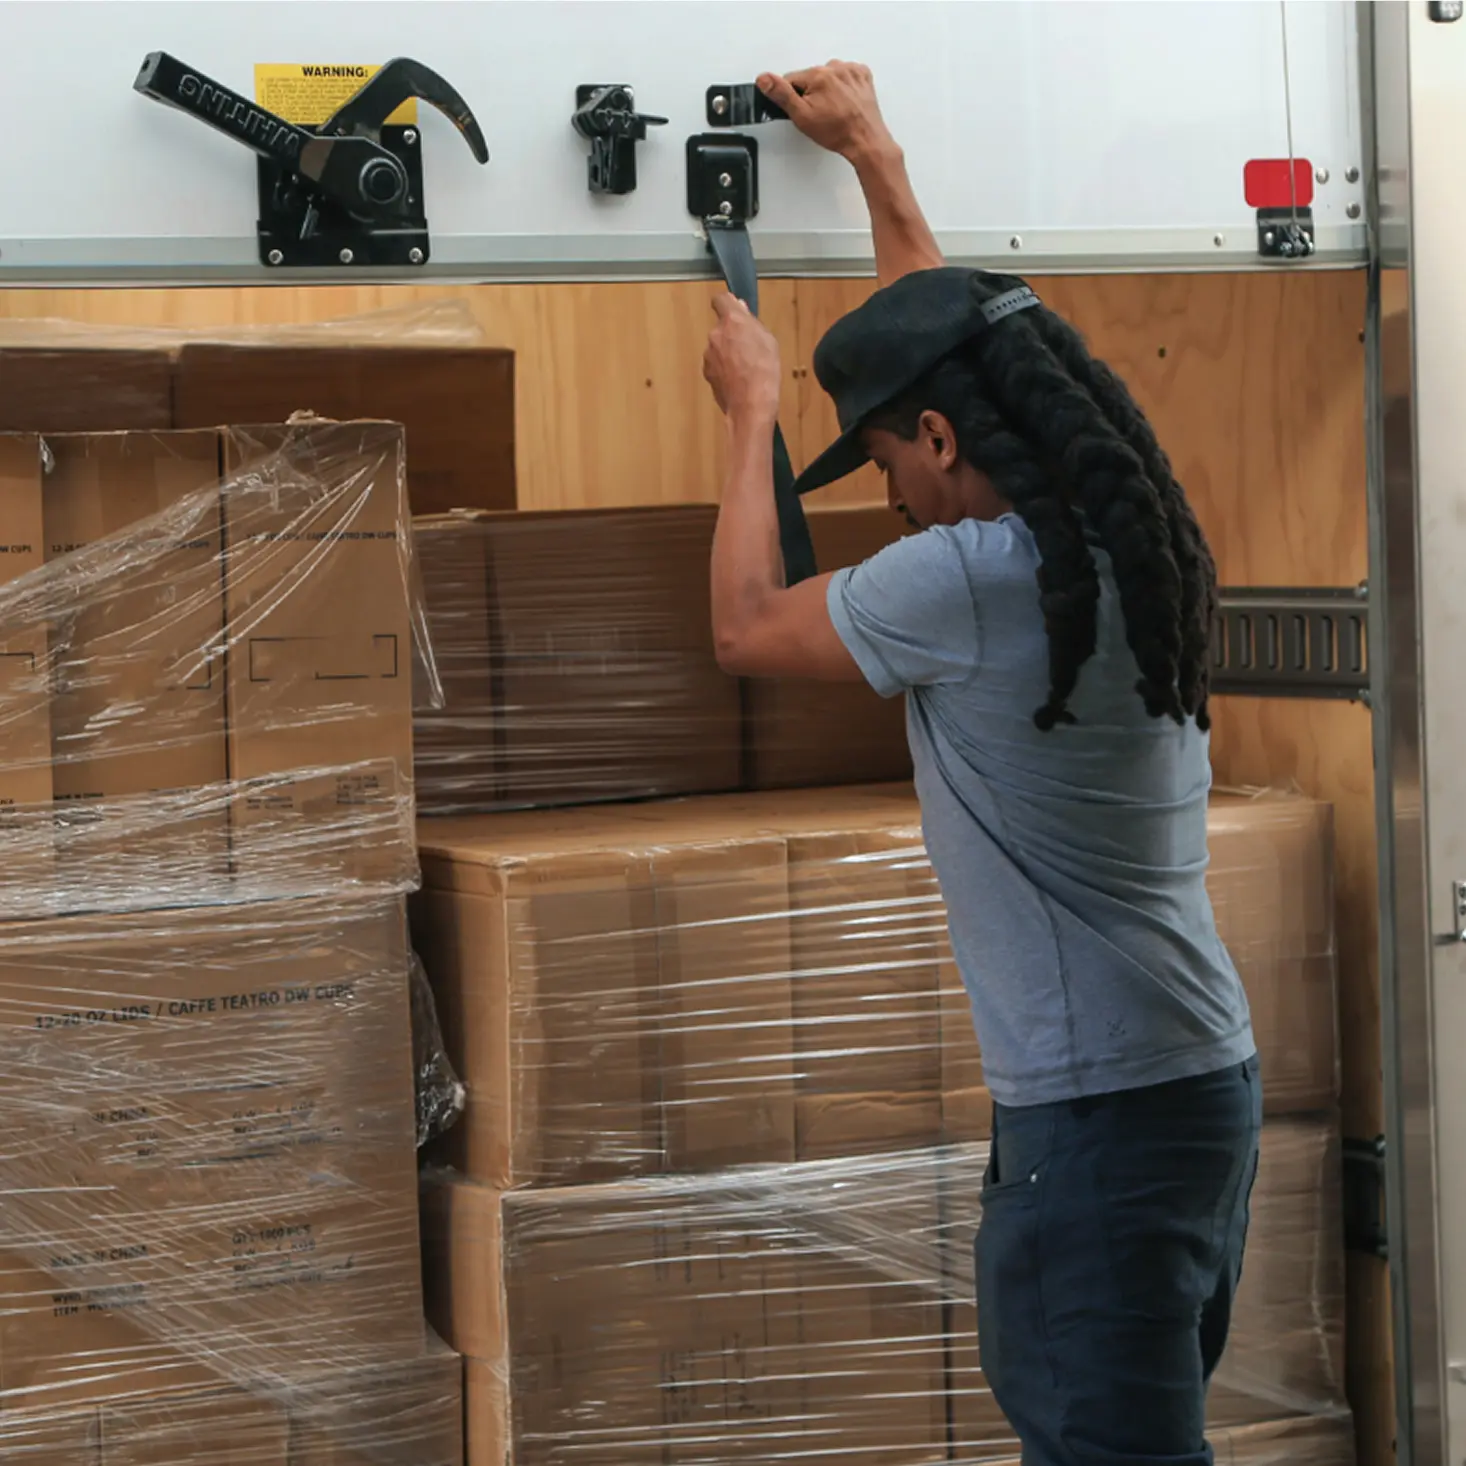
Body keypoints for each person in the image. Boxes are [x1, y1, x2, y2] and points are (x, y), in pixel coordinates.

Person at [699, 61, 1261, 1466]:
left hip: (1094, 1125)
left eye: (884, 459)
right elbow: (951, 335)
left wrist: (750, 408)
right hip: (1194, 1086)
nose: (886, 493)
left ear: (943, 441)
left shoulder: (965, 583)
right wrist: (876, 163)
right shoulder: (1119, 543)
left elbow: (746, 626)